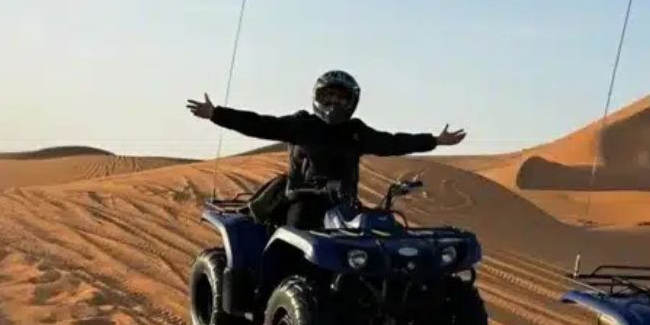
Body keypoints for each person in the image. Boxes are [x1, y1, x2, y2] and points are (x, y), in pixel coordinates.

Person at [187, 70, 466, 228]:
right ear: (317, 98)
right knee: (298, 237)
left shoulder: (355, 132)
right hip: (302, 202)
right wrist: (217, 113)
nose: (333, 103)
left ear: (351, 102)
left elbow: (392, 142)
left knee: (382, 233)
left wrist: (434, 141)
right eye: (328, 96)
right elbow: (259, 124)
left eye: (340, 98)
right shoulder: (301, 125)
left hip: (345, 206)